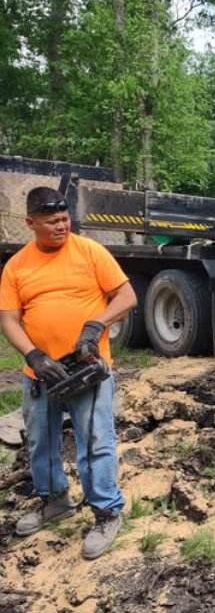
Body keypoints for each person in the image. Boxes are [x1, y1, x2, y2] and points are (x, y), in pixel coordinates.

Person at [0, 186, 137, 559]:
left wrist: (96, 325)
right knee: (41, 441)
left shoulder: (90, 250)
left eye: (65, 219)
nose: (62, 226)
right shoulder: (17, 266)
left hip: (86, 368)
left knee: (95, 440)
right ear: (31, 223)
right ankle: (54, 500)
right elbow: (9, 319)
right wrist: (33, 354)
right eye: (52, 221)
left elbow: (126, 297)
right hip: (41, 371)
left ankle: (107, 511)